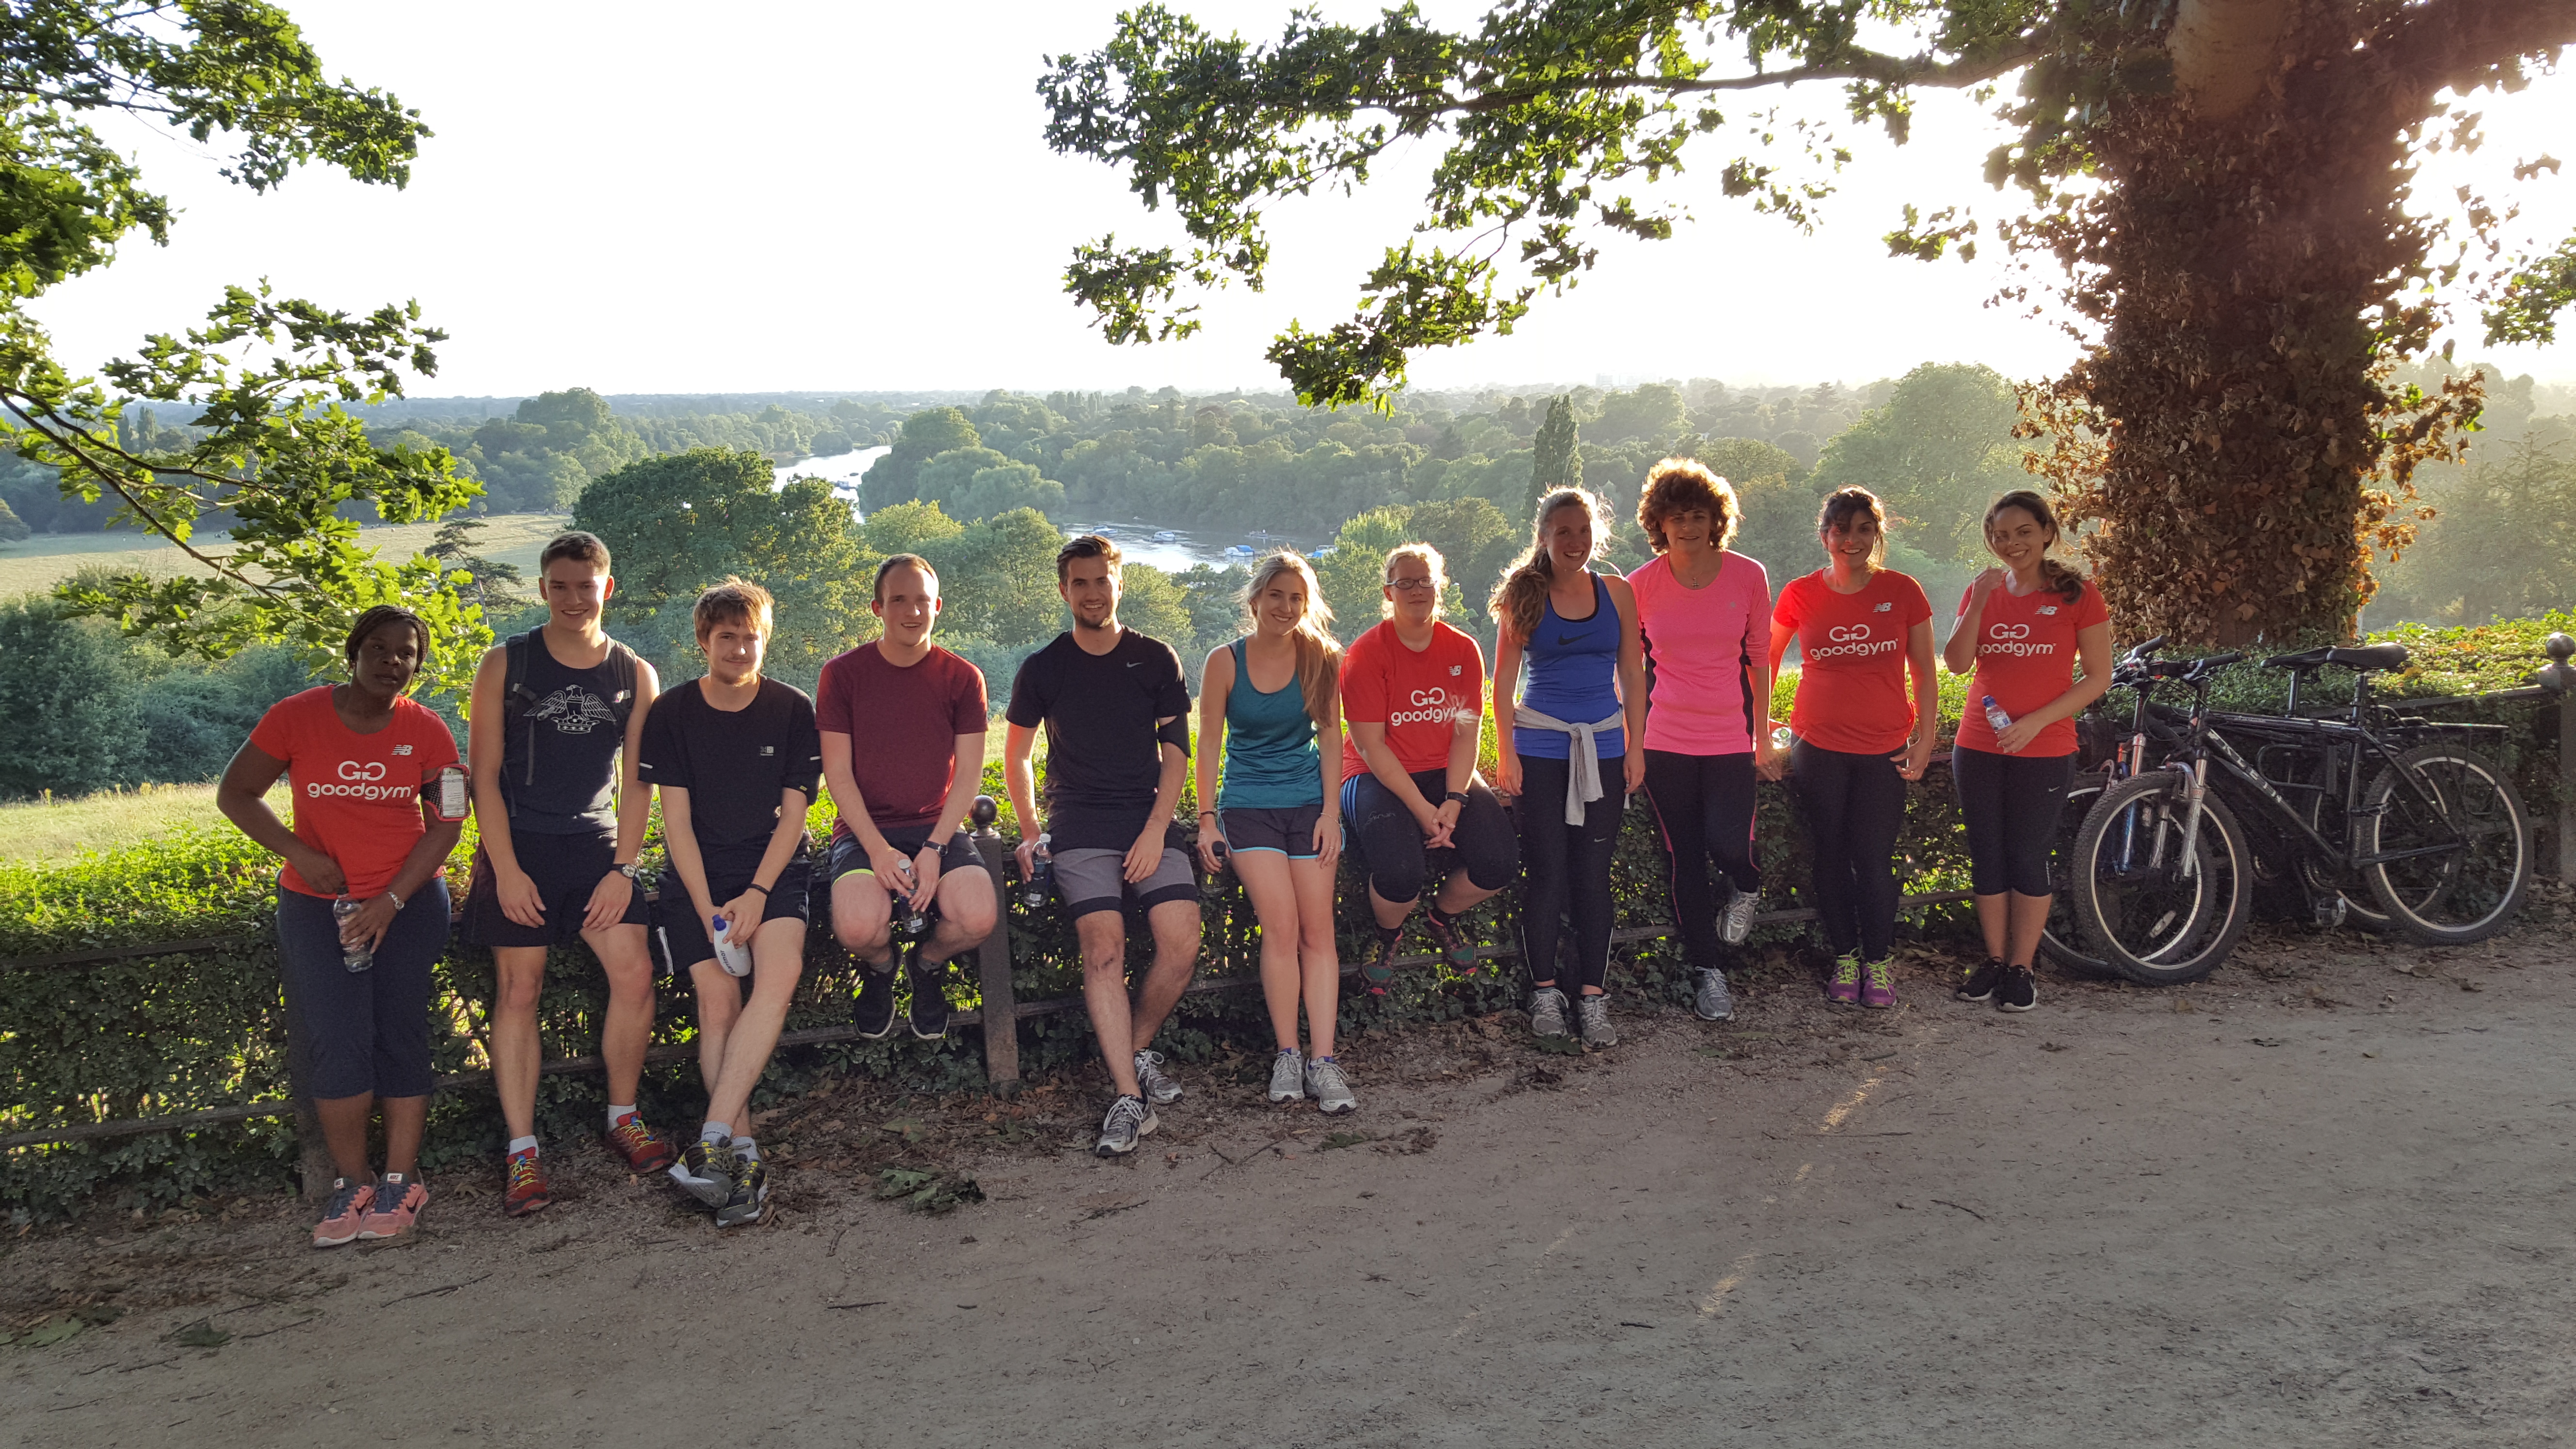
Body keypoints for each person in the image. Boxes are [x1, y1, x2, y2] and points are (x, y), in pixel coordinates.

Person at [217, 607, 464, 1247]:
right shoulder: (294, 717)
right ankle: (352, 1183)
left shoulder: (430, 731)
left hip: (408, 908)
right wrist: (298, 853)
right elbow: (236, 792)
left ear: (417, 663)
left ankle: (401, 1181)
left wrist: (391, 900)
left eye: (406, 653)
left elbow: (448, 822)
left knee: (401, 1034)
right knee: (337, 1039)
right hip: (315, 906)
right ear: (352, 653)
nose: (391, 663)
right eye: (378, 650)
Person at [463, 530, 670, 1217]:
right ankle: (523, 1150)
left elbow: (640, 785)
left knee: (636, 973)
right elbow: (483, 779)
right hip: (518, 842)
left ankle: (623, 1117)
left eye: (587, 586)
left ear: (608, 588)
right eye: (560, 585)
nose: (574, 598)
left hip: (596, 846)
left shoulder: (634, 673)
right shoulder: (506, 664)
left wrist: (624, 869)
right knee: (520, 989)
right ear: (542, 589)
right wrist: (507, 869)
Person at [1004, 535, 1201, 1157]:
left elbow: (1176, 755)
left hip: (1147, 815)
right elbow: (1016, 755)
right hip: (1080, 822)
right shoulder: (1044, 667)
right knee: (1102, 951)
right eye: (1079, 583)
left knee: (1181, 942)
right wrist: (1033, 829)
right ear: (1064, 591)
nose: (1092, 593)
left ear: (1120, 584)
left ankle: (1135, 1048)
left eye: (1102, 581)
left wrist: (1153, 829)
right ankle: (1127, 1095)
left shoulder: (1156, 658)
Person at [639, 580, 822, 1228]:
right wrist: (712, 907)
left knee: (780, 974)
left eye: (751, 636)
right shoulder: (672, 714)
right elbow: (676, 824)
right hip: (697, 877)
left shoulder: (793, 708)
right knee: (718, 1004)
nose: (741, 649)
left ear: (765, 637)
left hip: (772, 871)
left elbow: (795, 814)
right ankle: (739, 1155)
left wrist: (756, 895)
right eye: (727, 637)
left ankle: (712, 1140)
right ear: (703, 641)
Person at [1940, 488, 2113, 1013]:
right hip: (1977, 744)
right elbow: (1955, 662)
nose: (2009, 544)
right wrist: (1976, 600)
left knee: (2027, 858)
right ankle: (1993, 961)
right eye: (1998, 535)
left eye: (2021, 533)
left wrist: (2035, 721)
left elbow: (2098, 678)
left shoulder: (2077, 594)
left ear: (2045, 534)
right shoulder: (1983, 589)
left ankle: (2022, 967)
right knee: (1986, 855)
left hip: (2045, 747)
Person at [1194, 551, 1353, 1113]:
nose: (1286, 608)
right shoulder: (1224, 661)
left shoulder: (1320, 658)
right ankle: (1287, 1052)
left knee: (1318, 932)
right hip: (1248, 809)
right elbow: (1208, 741)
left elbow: (1332, 739)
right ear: (1256, 599)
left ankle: (1323, 1061)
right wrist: (1206, 817)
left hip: (1308, 806)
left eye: (1296, 598)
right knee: (1281, 927)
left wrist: (1331, 813)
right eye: (1277, 596)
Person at [817, 555, 998, 1045]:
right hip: (863, 829)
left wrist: (936, 849)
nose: (911, 611)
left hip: (936, 826)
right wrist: (876, 849)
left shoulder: (963, 678)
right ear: (878, 607)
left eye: (922, 600)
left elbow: (967, 776)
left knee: (978, 915)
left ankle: (926, 964)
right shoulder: (842, 675)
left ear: (937, 606)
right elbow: (836, 772)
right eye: (899, 600)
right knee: (857, 928)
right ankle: (882, 969)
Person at [1768, 488, 1937, 1008]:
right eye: (1841, 529)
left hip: (1884, 748)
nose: (1852, 539)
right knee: (1831, 855)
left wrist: (1925, 739)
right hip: (1816, 745)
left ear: (1875, 534)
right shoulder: (1799, 593)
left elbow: (1924, 673)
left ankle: (1878, 963)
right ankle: (1845, 956)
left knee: (1874, 858)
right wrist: (1756, 731)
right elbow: (1763, 663)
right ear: (1824, 536)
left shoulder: (1903, 590)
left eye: (1863, 529)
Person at [1489, 489, 1646, 1047]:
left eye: (1582, 531)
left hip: (1602, 746)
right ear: (1543, 537)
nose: (1574, 542)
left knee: (1592, 874)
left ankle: (1592, 997)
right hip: (1542, 747)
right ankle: (1544, 992)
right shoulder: (1523, 595)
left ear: (1594, 534)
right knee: (1548, 871)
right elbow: (1502, 682)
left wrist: (1635, 746)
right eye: (1562, 532)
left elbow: (1632, 673)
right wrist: (1506, 753)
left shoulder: (1618, 593)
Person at [1627, 459, 1776, 1024]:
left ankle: (1747, 884)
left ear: (1716, 520)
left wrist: (1762, 735)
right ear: (1658, 523)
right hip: (1665, 740)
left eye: (1698, 515)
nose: (1687, 526)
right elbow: (1632, 670)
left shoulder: (1747, 575)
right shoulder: (1640, 585)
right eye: (1675, 517)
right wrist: (1633, 744)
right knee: (1682, 857)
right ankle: (1707, 974)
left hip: (1729, 737)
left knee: (1728, 844)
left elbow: (1761, 659)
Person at [1340, 544, 1517, 996]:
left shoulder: (1462, 649)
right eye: (1406, 582)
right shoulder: (1366, 654)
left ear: (1440, 586)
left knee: (1499, 862)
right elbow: (1370, 744)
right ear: (1389, 591)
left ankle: (1443, 916)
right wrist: (1424, 811)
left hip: (1444, 769)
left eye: (1425, 580)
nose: (1417, 589)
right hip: (1372, 772)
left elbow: (1464, 732)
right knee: (1401, 873)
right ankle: (1387, 937)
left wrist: (1455, 800)